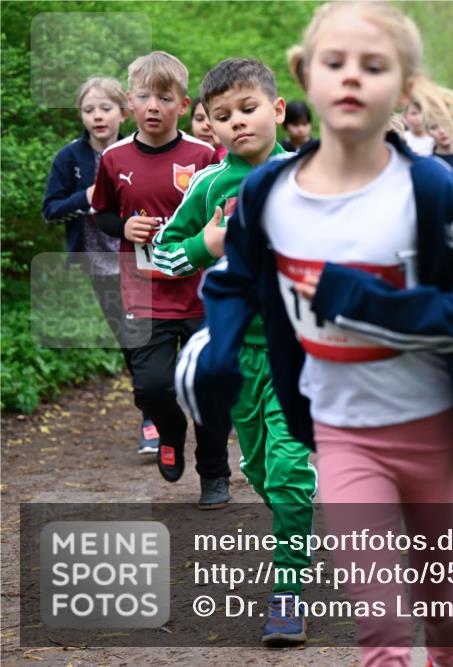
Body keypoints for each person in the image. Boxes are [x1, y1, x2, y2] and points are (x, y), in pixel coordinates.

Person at [173, 3, 453, 665]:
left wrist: (373, 304)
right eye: (335, 62)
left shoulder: (429, 187)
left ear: (405, 85)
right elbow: (229, 279)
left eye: (375, 64)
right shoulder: (269, 193)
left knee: (439, 600)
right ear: (305, 75)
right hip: (340, 431)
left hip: (435, 430)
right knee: (380, 622)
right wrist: (217, 350)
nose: (352, 77)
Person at [151, 58, 316, 646]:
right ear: (209, 127)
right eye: (222, 117)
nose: (237, 123)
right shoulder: (210, 185)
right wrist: (207, 241)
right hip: (236, 356)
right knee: (260, 469)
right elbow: (163, 257)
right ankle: (298, 524)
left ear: (276, 110)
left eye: (248, 110)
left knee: (292, 470)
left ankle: (288, 591)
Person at [91, 51, 230, 507]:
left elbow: (226, 209)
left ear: (184, 105)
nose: (154, 105)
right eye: (144, 96)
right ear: (129, 102)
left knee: (210, 387)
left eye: (165, 97)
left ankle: (214, 473)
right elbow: (103, 214)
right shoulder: (113, 158)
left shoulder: (204, 155)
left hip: (202, 295)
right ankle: (169, 432)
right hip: (143, 293)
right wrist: (122, 228)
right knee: (151, 385)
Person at [42, 76, 159, 455]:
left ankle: (171, 402)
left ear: (123, 112)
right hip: (101, 267)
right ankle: (151, 418)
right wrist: (85, 196)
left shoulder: (141, 151)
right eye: (89, 109)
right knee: (130, 341)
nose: (97, 116)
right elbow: (50, 211)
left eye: (105, 108)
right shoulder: (69, 159)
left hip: (146, 260)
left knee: (155, 335)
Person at [190, 96, 227, 161]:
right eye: (199, 119)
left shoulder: (233, 161)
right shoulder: (183, 156)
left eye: (214, 119)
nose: (205, 127)